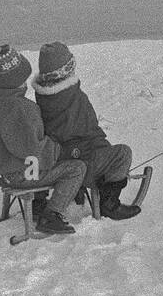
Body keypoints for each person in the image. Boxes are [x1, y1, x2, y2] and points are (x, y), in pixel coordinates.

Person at [0, 45, 86, 235]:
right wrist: (58, 149)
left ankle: (38, 205)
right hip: (24, 175)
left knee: (49, 162)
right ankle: (52, 214)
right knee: (76, 168)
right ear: (18, 81)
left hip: (7, 173)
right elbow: (34, 148)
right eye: (24, 79)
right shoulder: (23, 108)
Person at [33, 42, 141, 221]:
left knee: (87, 151)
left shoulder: (43, 100)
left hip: (58, 166)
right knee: (123, 153)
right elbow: (90, 132)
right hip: (81, 166)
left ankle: (71, 193)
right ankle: (109, 202)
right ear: (67, 70)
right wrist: (107, 155)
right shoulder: (75, 99)